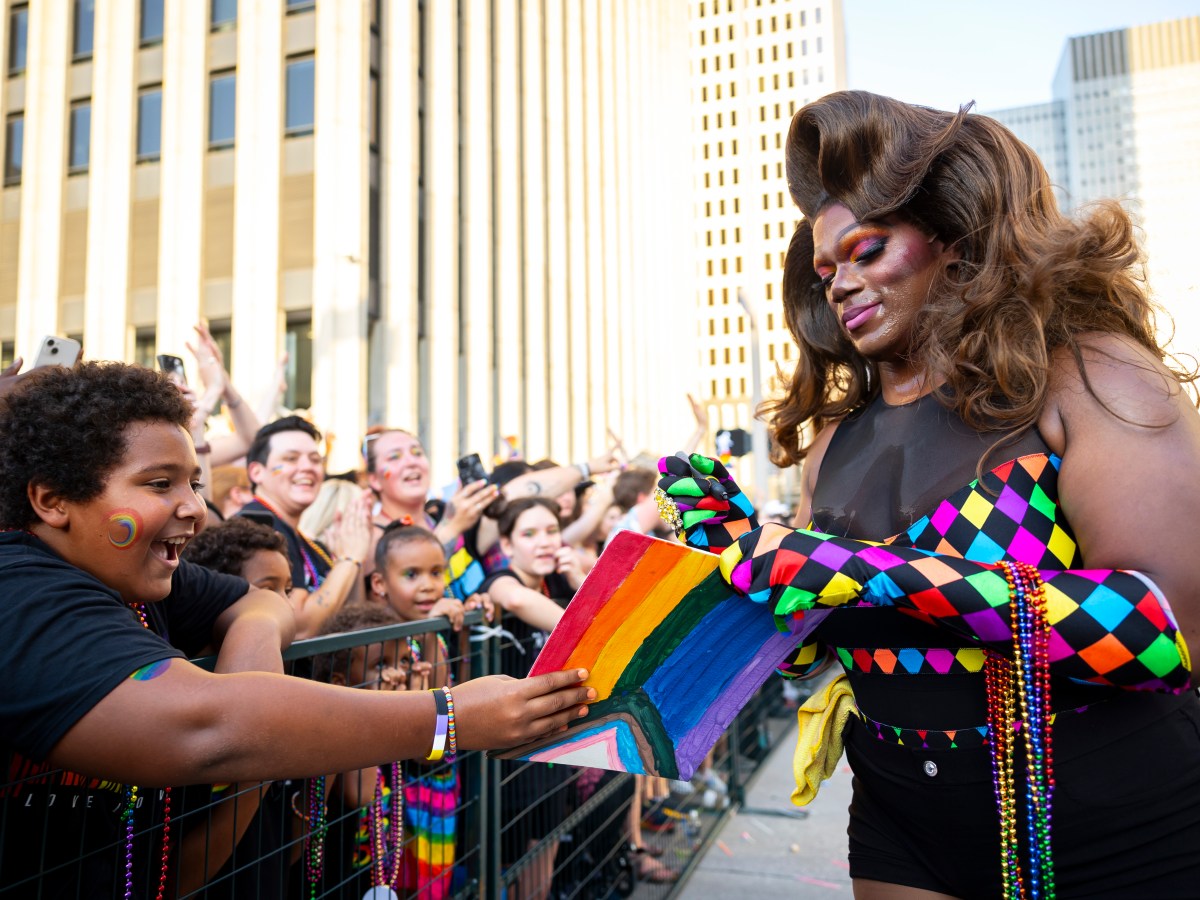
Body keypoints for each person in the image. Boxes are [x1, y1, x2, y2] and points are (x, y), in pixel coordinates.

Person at [658, 90, 1200, 899]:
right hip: (898, 821)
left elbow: (1168, 632)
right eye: (826, 272)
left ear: (952, 237)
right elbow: (814, 651)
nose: (841, 284)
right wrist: (738, 554)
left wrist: (870, 571)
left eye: (867, 251)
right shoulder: (835, 444)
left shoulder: (1086, 376)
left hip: (1116, 822)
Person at [0, 362, 595, 898]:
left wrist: (247, 676)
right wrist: (451, 718)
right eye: (160, 484)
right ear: (53, 500)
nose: (195, 509)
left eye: (194, 484)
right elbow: (203, 728)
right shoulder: (18, 586)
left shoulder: (135, 573)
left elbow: (263, 605)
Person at [239, 415, 373, 639]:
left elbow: (352, 620)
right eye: (291, 458)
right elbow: (299, 627)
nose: (307, 467)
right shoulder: (255, 527)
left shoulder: (305, 541)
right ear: (256, 472)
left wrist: (352, 558)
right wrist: (349, 560)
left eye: (315, 459)